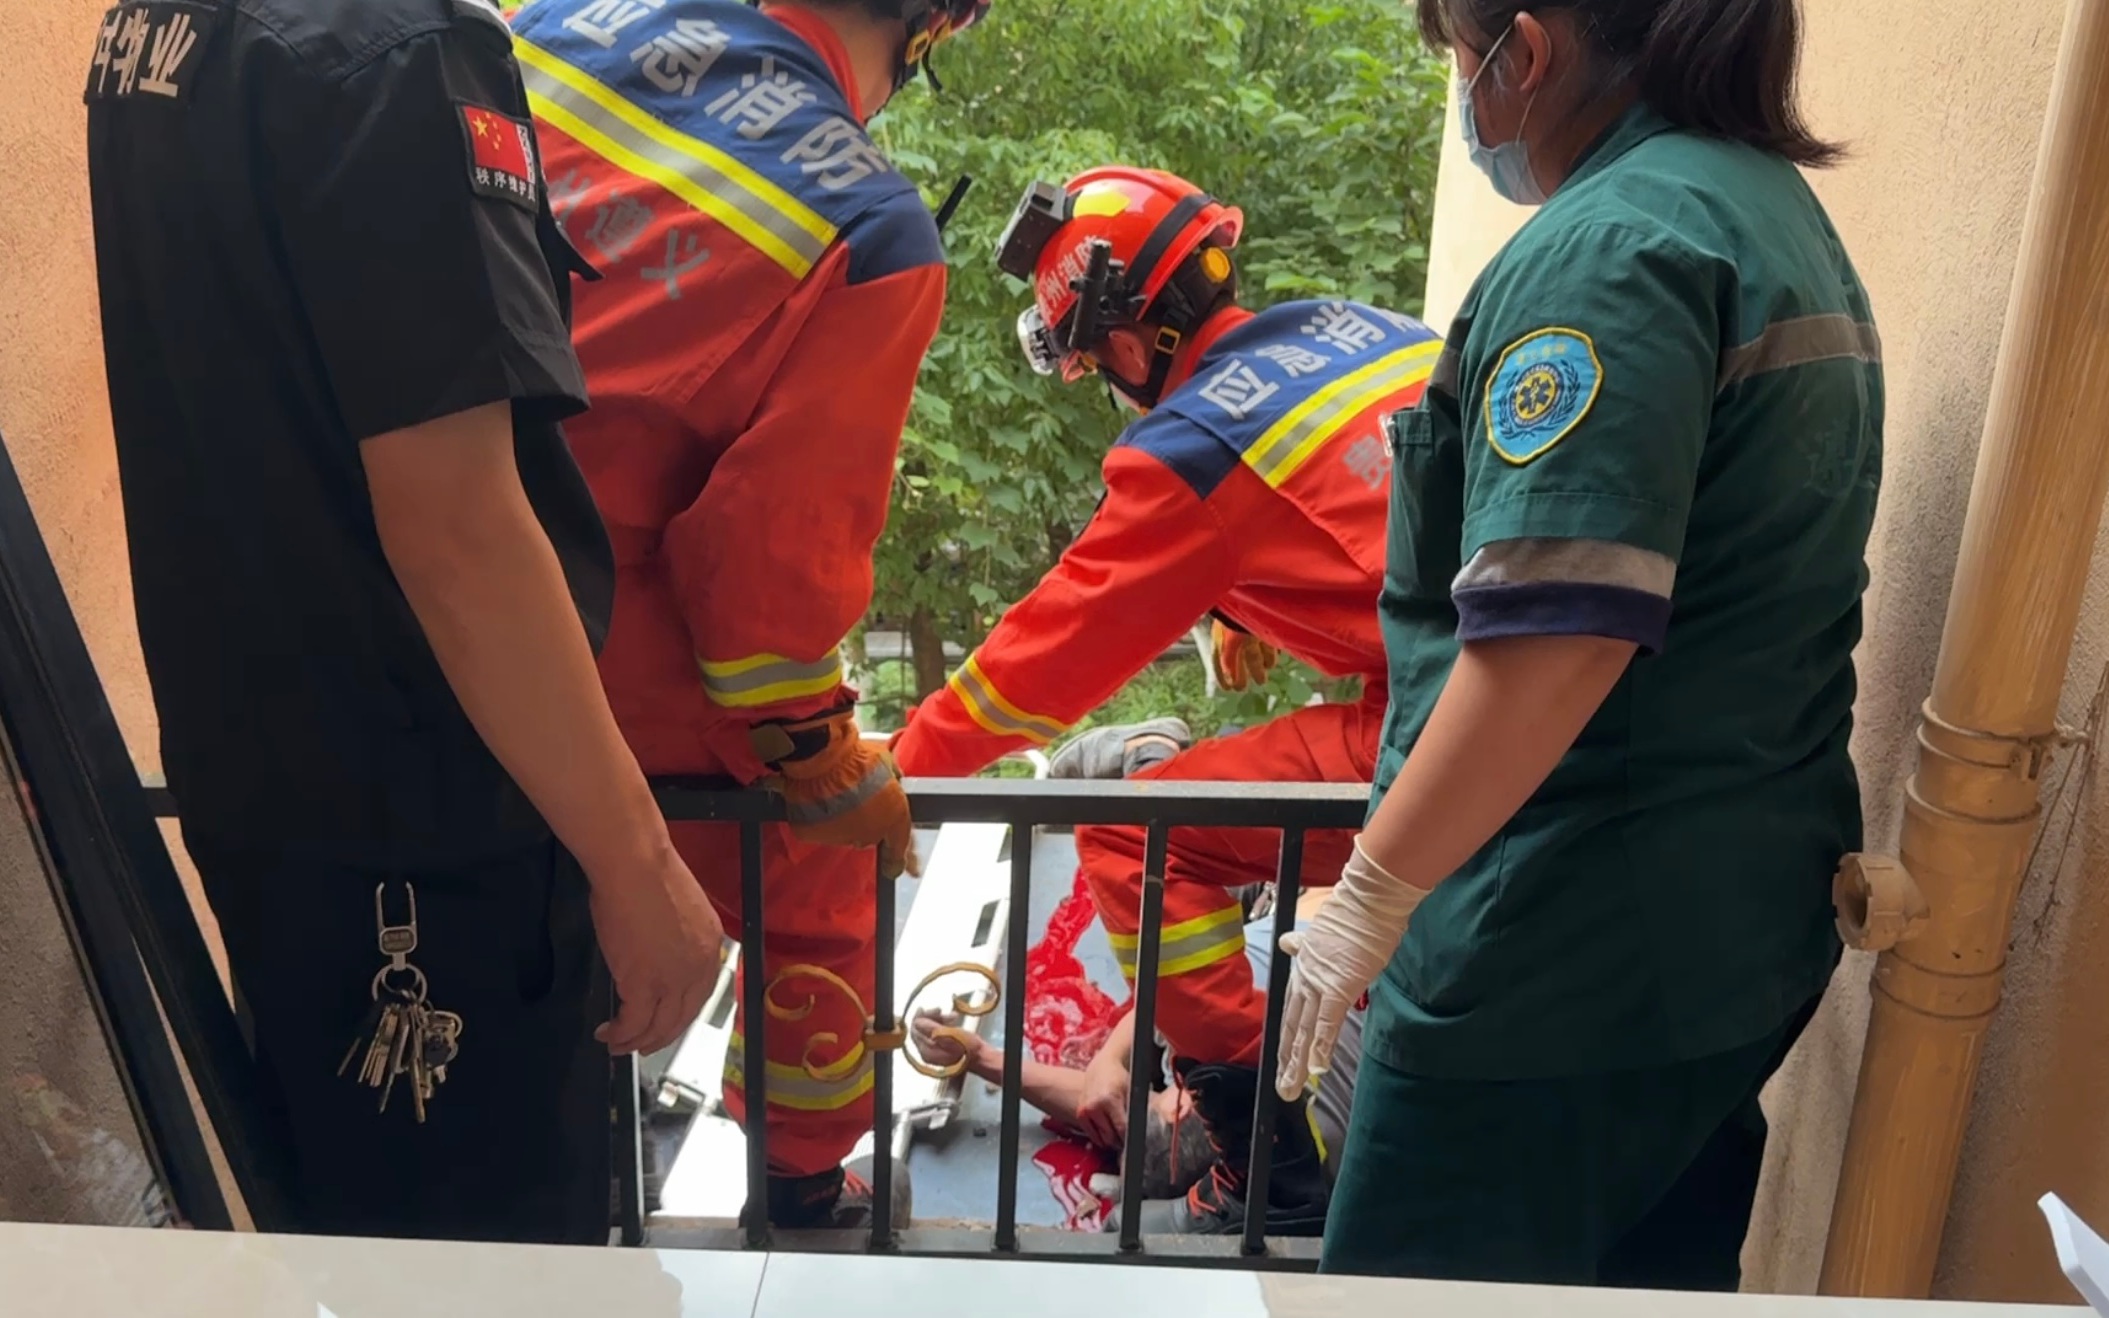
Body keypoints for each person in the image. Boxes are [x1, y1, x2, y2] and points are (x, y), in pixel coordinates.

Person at [84, 0, 725, 1243]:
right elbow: (458, 529)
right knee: (482, 1279)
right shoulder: (401, 54)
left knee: (354, 1244)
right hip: (429, 850)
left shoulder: (160, 23)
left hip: (275, 800)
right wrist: (638, 865)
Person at [1272, 0, 1880, 1288]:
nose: (1468, 100)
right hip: (1725, 944)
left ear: (1528, 51)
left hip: (1555, 965)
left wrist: (1370, 896)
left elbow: (1555, 637)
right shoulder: (1765, 215)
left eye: (1462, 61)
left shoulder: (1608, 252)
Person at [889, 165, 1440, 1237]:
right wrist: (1243, 600)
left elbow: (1033, 668)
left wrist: (896, 772)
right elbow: (1367, 515)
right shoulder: (1357, 331)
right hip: (1536, 680)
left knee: (1138, 836)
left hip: (1449, 730)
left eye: (1097, 360)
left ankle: (1270, 1168)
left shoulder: (1189, 447)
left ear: (1132, 341)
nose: (1109, 379)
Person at [510, 0, 988, 1228]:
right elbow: (761, 580)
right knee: (823, 864)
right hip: (582, 634)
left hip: (395, 549)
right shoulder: (871, 229)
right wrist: (815, 750)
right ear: (937, 24)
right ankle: (800, 1180)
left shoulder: (556, 19)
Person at [911, 882, 1364, 1209]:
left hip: (1280, 1106)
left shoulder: (1251, 1107)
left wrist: (982, 1058)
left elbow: (1125, 1114)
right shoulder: (1272, 882)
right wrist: (1109, 1057)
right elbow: (1173, 990)